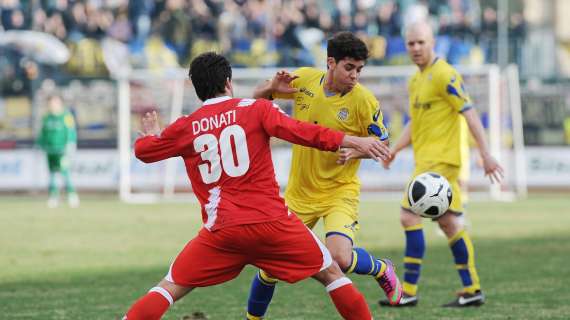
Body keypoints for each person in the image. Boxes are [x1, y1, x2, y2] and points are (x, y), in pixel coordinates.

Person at [122, 52, 392, 320]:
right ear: (228, 82)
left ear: (196, 88)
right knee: (331, 273)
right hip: (272, 223)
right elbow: (304, 132)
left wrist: (151, 136)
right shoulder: (257, 109)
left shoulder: (186, 126)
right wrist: (355, 141)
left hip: (222, 232)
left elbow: (145, 152)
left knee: (169, 288)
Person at [246, 31, 402, 320]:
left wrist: (357, 152)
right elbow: (256, 102)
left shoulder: (364, 101)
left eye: (359, 69)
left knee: (340, 258)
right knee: (269, 268)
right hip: (299, 193)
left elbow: (383, 145)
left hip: (339, 191)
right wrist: (270, 87)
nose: (355, 75)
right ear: (330, 62)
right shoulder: (304, 79)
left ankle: (381, 268)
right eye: (349, 67)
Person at [377, 21, 504, 307]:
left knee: (409, 216)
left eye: (421, 42)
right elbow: (414, 123)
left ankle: (408, 291)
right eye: (411, 43)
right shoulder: (414, 80)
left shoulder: (446, 74)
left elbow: (470, 114)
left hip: (443, 164)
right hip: (425, 163)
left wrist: (486, 153)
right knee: (449, 223)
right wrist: (395, 149)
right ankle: (471, 290)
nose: (416, 48)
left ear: (432, 41)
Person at [37, 94, 80, 208]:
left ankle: (72, 195)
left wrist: (70, 145)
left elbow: (71, 131)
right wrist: (40, 144)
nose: (52, 105)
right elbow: (42, 133)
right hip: (50, 151)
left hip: (62, 151)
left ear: (60, 103)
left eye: (55, 103)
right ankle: (53, 196)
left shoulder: (66, 116)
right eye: (51, 103)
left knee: (65, 173)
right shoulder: (46, 117)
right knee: (52, 174)